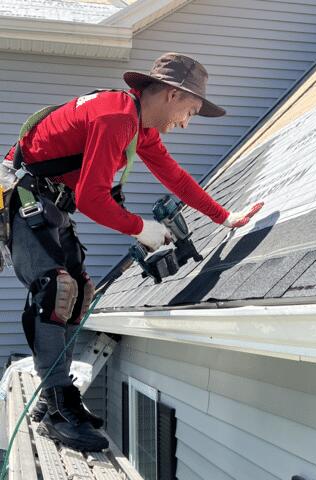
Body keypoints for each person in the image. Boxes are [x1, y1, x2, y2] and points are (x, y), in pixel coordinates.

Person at [3, 52, 263, 451]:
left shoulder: (137, 125)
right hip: (24, 198)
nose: (186, 123)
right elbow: (91, 198)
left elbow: (174, 176)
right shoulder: (116, 118)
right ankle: (58, 409)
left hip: (51, 203)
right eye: (189, 111)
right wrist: (144, 228)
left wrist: (224, 217)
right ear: (172, 95)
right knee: (54, 288)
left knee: (79, 293)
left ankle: (55, 395)